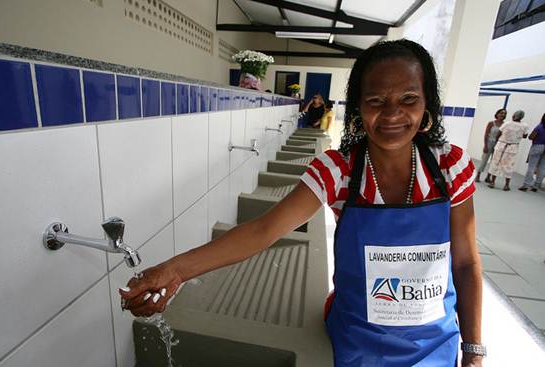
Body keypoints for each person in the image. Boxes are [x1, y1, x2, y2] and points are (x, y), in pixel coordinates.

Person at [120, 39, 484, 367]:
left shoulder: (449, 166)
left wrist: (473, 348)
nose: (391, 114)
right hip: (357, 344)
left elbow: (466, 262)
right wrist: (177, 270)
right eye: (376, 101)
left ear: (427, 105)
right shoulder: (340, 170)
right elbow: (263, 230)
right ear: (358, 107)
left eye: (408, 99)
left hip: (435, 343)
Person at [487, 110, 528, 191]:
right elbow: (524, 136)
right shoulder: (524, 126)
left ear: (513, 116)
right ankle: (506, 185)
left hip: (501, 145)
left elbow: (499, 133)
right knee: (509, 165)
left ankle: (492, 182)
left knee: (496, 163)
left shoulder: (507, 124)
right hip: (513, 147)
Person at [475, 108, 507, 183]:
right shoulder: (491, 123)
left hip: (498, 144)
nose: (503, 114)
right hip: (489, 142)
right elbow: (486, 134)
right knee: (484, 159)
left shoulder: (505, 125)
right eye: (501, 113)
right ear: (497, 114)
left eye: (504, 113)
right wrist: (485, 145)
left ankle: (488, 177)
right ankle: (478, 175)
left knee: (494, 161)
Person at [519, 113, 545, 192]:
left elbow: (531, 137)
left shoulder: (539, 126)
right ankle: (536, 186)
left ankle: (526, 185)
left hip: (537, 146)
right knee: (542, 167)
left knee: (532, 166)